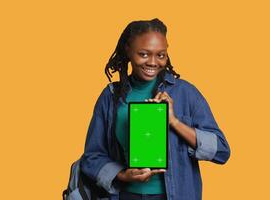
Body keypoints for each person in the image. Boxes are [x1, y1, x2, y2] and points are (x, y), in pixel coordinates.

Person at [80, 18, 231, 200]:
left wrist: (174, 122)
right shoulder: (111, 97)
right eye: (144, 54)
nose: (153, 62)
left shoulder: (186, 93)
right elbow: (92, 156)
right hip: (125, 195)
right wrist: (121, 175)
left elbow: (221, 151)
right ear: (128, 50)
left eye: (161, 55)